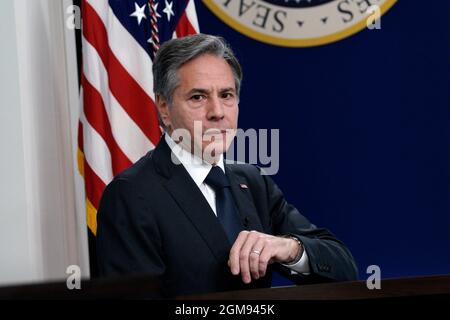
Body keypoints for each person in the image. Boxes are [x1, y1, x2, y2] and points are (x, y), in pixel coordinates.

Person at [96, 34, 358, 297]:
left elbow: (344, 269)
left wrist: (289, 248)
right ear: (164, 107)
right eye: (198, 97)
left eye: (226, 95)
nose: (217, 111)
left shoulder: (253, 181)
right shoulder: (131, 195)